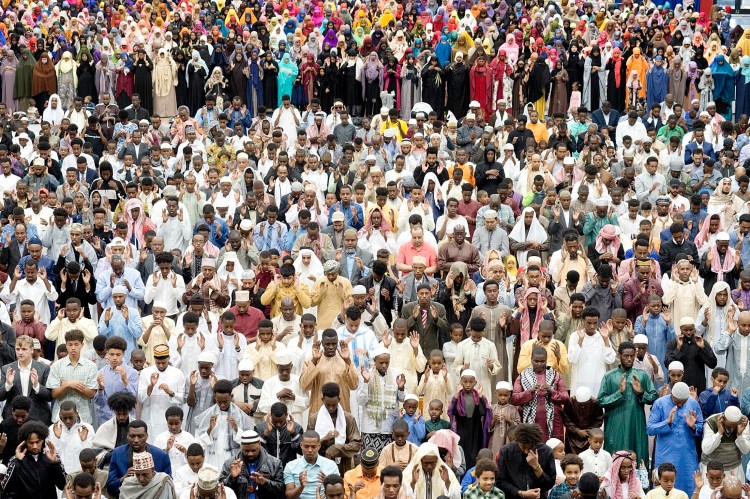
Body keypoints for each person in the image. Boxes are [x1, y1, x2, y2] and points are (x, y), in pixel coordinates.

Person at [598, 341, 658, 466]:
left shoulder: (642, 375)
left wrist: (641, 392)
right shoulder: (609, 376)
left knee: (637, 453)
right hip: (615, 422)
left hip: (636, 422)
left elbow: (653, 397)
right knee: (615, 456)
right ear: (619, 355)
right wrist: (619, 393)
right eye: (626, 355)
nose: (629, 359)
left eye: (632, 356)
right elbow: (601, 401)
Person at [648, 382, 703, 497]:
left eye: (683, 402)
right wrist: (666, 422)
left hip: (687, 455)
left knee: (689, 484)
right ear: (671, 394)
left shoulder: (693, 404)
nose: (679, 404)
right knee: (663, 487)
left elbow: (700, 428)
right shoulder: (660, 403)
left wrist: (693, 426)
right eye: (677, 401)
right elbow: (650, 429)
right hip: (666, 453)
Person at [512, 347, 568, 441]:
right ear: (531, 360)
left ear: (546, 360)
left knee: (553, 449)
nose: (539, 364)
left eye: (542, 361)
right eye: (536, 361)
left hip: (553, 420)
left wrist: (551, 391)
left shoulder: (555, 375)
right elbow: (514, 399)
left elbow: (566, 398)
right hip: (529, 420)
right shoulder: (523, 376)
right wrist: (529, 391)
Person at [0, 420, 66, 497]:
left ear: (43, 440)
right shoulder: (15, 460)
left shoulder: (52, 458)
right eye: (31, 443)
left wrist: (55, 463)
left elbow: (63, 486)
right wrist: (17, 463)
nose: (35, 446)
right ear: (25, 442)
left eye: (38, 442)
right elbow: (7, 489)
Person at [107, 420, 172, 497]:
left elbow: (167, 484)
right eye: (132, 436)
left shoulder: (161, 456)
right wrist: (124, 479)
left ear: (147, 436)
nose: (136, 440)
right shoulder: (117, 453)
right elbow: (110, 487)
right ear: (127, 436)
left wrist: (153, 478)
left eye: (140, 436)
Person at [219, 429, 285, 499]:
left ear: (259, 444)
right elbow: (220, 490)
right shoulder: (230, 463)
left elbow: (281, 491)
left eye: (253, 450)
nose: (250, 454)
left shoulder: (275, 463)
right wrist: (232, 478)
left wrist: (265, 482)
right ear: (241, 446)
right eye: (246, 451)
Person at [496, 423, 556, 499]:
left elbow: (550, 483)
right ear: (518, 441)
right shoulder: (506, 451)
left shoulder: (547, 452)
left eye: (531, 447)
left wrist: (537, 467)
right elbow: (500, 481)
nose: (526, 451)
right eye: (523, 447)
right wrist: (521, 493)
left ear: (536, 443)